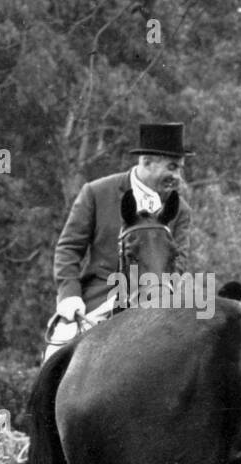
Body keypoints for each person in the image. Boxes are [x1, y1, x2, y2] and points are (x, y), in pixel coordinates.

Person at [48, 122, 193, 361]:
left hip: (157, 302)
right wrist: (69, 295)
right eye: (172, 167)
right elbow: (68, 249)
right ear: (146, 162)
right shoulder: (96, 193)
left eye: (179, 169)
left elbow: (179, 261)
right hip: (99, 300)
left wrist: (159, 297)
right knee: (56, 352)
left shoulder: (180, 209)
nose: (177, 177)